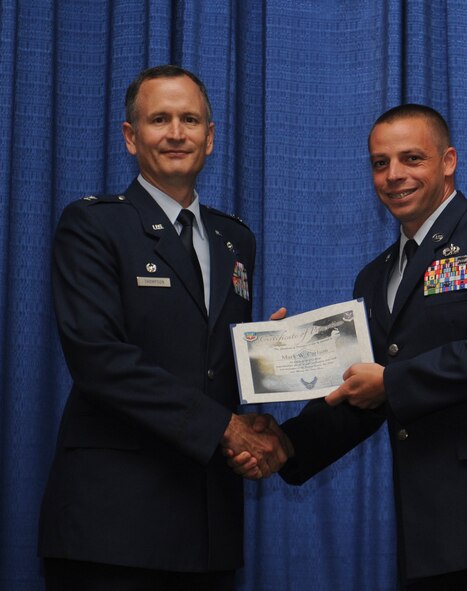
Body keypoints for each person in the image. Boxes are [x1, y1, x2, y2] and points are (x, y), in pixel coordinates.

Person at [235, 104, 467, 590]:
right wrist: (287, 440)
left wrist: (390, 381)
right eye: (380, 163)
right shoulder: (375, 276)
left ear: (448, 161)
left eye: (411, 159)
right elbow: (361, 392)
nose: (394, 175)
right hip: (428, 532)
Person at [38, 64, 289, 591]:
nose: (177, 133)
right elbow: (99, 358)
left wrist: (269, 356)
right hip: (114, 524)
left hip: (207, 523)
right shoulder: (93, 225)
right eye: (160, 119)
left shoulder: (234, 238)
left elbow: (208, 360)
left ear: (210, 136)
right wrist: (226, 428)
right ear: (131, 137)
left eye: (190, 119)